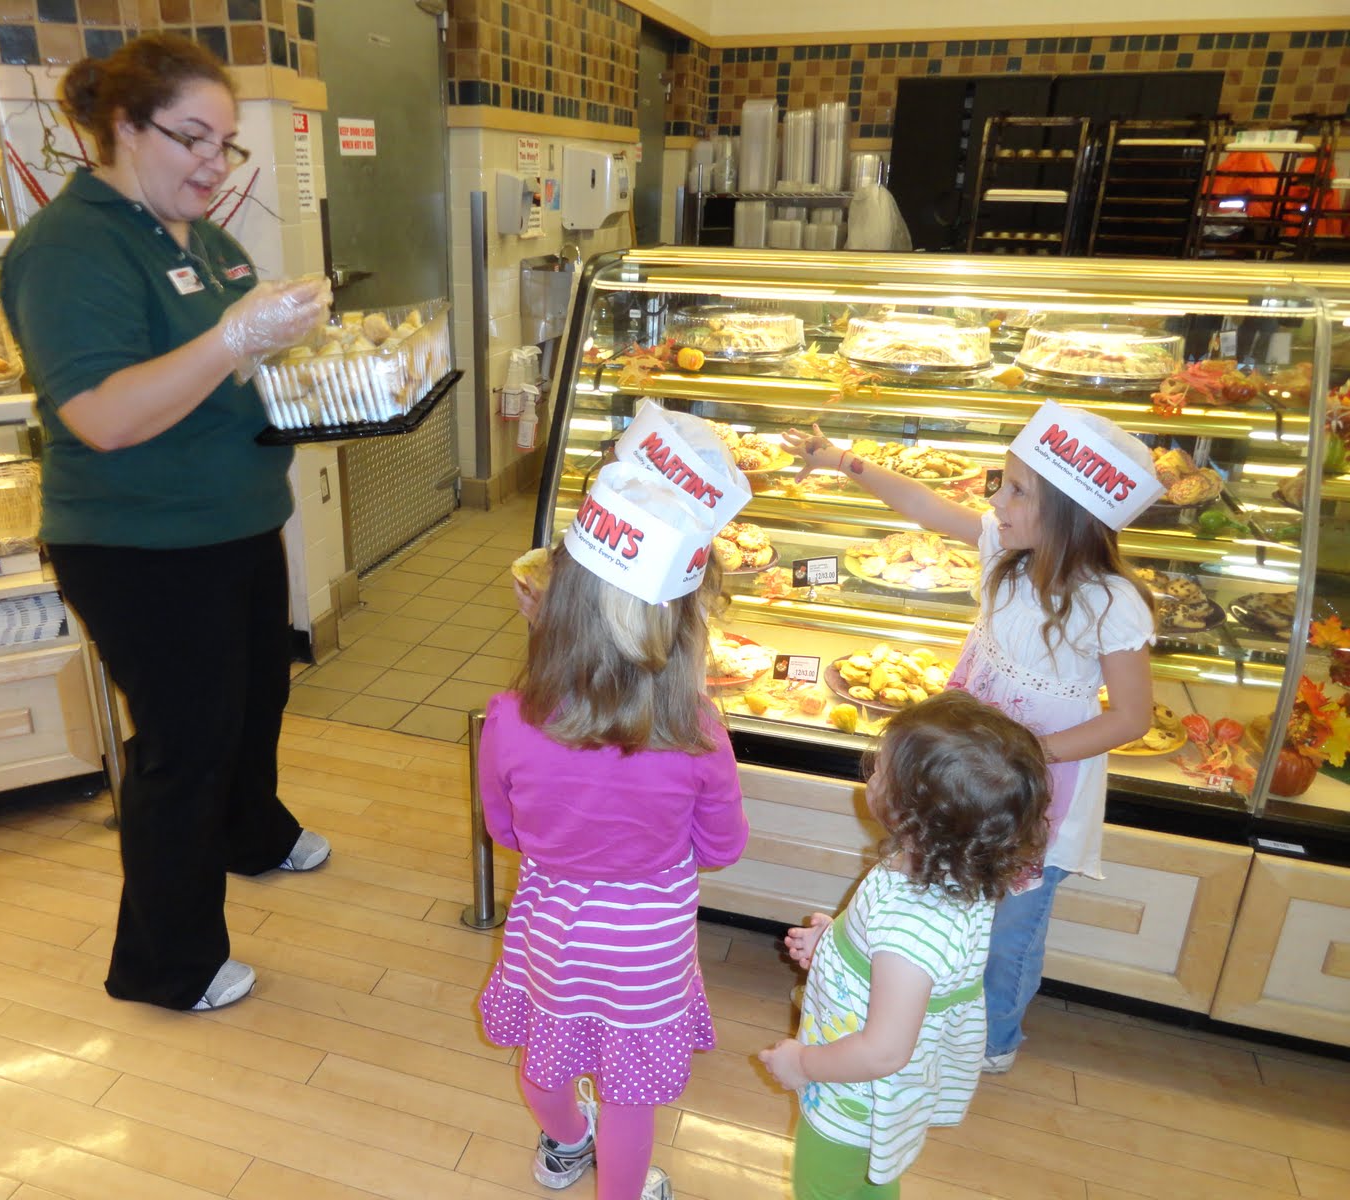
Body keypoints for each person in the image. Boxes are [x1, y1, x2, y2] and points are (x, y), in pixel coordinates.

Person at [0, 34, 335, 1013]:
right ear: (123, 127)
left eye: (225, 144)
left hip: (237, 518)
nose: (213, 163)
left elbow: (228, 375)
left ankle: (251, 834)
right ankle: (165, 962)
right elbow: (102, 416)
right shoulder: (69, 248)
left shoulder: (208, 242)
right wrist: (235, 336)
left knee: (255, 701)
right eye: (193, 137)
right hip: (140, 543)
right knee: (184, 743)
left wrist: (313, 366)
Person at [783, 401, 1159, 1071]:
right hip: (962, 767)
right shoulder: (1006, 555)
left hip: (1037, 785)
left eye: (1016, 490)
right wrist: (842, 460)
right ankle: (909, 1014)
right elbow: (926, 507)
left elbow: (1131, 717)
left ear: (1070, 514)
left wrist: (1025, 756)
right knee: (937, 886)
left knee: (1010, 927)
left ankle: (993, 1041)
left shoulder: (1110, 602)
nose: (996, 501)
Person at [478, 464, 751, 1200]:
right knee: (630, 1096)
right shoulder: (699, 732)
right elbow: (723, 847)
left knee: (545, 1062)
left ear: (557, 608)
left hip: (552, 935)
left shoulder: (509, 718)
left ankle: (566, 1145)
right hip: (647, 951)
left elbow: (506, 829)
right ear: (685, 629)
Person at [759, 690, 1052, 1200]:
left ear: (913, 812)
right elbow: (908, 963)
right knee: (872, 1183)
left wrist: (801, 1064)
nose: (870, 777)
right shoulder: (954, 872)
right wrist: (837, 943)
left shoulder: (908, 926)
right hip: (881, 1098)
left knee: (824, 1189)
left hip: (853, 1102)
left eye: (881, 770)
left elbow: (883, 1050)